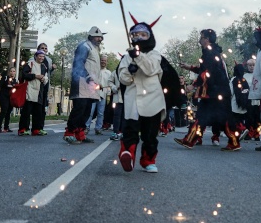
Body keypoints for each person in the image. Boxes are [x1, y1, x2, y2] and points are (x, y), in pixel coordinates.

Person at [117, 16, 178, 173]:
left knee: (150, 133)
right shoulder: (126, 57)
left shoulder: (155, 55)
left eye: (143, 34)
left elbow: (151, 69)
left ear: (150, 36)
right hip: (133, 98)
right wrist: (130, 71)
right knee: (130, 129)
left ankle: (148, 160)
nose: (139, 38)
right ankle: (127, 154)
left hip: (152, 98)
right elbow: (123, 79)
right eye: (135, 35)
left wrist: (138, 57)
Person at [175, 29, 231, 149]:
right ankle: (189, 140)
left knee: (208, 117)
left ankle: (190, 140)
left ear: (206, 39)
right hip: (216, 91)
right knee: (210, 117)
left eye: (201, 37)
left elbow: (206, 73)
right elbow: (204, 70)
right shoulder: (212, 52)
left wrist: (194, 85)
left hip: (215, 91)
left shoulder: (209, 53)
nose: (199, 39)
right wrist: (189, 67)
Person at [64, 26, 105, 144]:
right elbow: (78, 63)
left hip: (91, 84)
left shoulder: (95, 49)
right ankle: (69, 133)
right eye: (98, 37)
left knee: (87, 110)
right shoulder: (84, 46)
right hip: (82, 82)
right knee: (79, 109)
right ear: (91, 36)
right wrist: (88, 77)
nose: (100, 39)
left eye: (101, 37)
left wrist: (97, 81)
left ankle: (80, 133)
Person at [20, 50, 49, 136]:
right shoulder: (30, 64)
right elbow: (24, 75)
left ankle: (36, 129)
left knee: (38, 112)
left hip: (39, 91)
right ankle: (23, 129)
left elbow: (46, 77)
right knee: (26, 111)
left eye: (43, 57)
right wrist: (35, 76)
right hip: (29, 89)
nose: (41, 58)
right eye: (40, 56)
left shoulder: (44, 66)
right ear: (36, 56)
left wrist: (44, 79)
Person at [87, 55, 113, 135]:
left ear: (106, 62)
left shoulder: (108, 73)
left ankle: (98, 128)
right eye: (102, 60)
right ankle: (86, 127)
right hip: (93, 94)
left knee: (101, 113)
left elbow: (109, 84)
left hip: (103, 95)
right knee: (90, 112)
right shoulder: (94, 71)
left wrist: (108, 95)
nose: (103, 62)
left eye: (104, 61)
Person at [243, 58, 261, 142]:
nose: (251, 67)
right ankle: (248, 133)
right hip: (248, 99)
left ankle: (256, 134)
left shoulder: (259, 75)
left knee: (257, 118)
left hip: (257, 100)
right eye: (250, 65)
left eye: (253, 65)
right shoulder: (245, 76)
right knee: (248, 117)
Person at [0, 67, 17, 133]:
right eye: (11, 71)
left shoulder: (15, 80)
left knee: (8, 112)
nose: (12, 73)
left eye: (13, 71)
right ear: (9, 72)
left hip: (10, 98)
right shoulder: (5, 78)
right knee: (4, 110)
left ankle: (6, 127)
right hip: (3, 97)